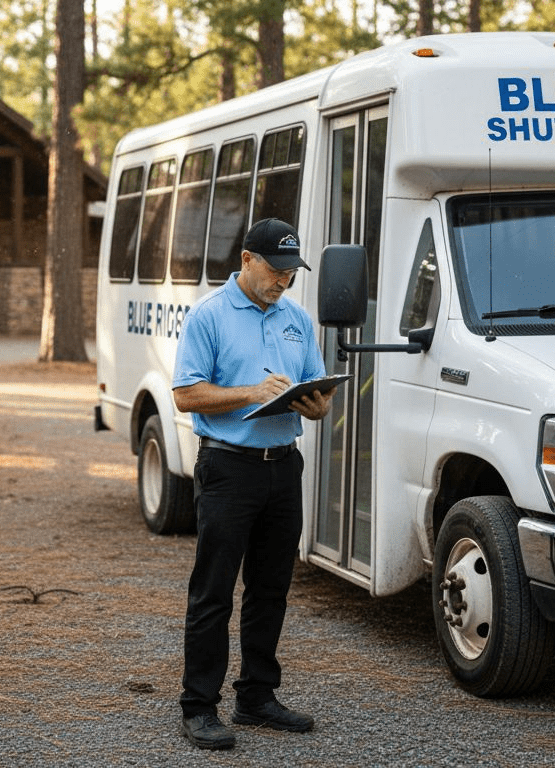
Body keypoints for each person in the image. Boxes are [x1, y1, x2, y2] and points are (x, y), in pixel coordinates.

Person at [171, 217, 336, 750]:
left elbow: (315, 390)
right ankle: (199, 707)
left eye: (291, 272)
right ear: (246, 260)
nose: (283, 280)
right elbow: (186, 395)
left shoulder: (297, 319)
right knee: (214, 591)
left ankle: (257, 698)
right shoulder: (209, 315)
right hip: (228, 469)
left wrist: (317, 405)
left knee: (270, 590)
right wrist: (251, 393)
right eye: (275, 269)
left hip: (284, 468)